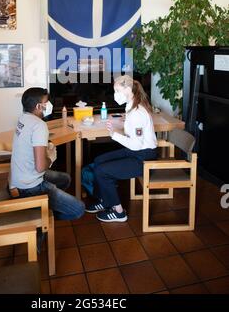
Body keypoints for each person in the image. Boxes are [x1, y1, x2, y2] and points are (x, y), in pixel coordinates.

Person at [85, 75, 157, 222]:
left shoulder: (137, 112)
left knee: (102, 171)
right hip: (135, 152)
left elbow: (136, 144)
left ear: (128, 89)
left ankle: (118, 212)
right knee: (98, 161)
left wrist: (114, 134)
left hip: (143, 157)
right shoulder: (131, 106)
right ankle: (105, 200)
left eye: (117, 90)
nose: (115, 94)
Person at [10, 87, 85, 222]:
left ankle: (42, 205)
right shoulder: (39, 125)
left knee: (65, 179)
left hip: (17, 180)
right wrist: (50, 158)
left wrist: (45, 151)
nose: (49, 104)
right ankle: (42, 215)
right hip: (30, 187)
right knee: (79, 209)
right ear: (39, 106)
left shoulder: (23, 119)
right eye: (46, 101)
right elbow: (40, 167)